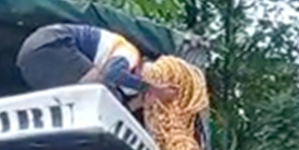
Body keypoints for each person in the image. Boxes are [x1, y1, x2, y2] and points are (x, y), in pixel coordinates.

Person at [16, 23, 178, 109]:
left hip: (27, 61)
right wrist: (151, 88)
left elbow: (112, 106)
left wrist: (138, 102)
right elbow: (112, 75)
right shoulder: (130, 53)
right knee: (98, 87)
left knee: (101, 99)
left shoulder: (120, 82)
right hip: (52, 42)